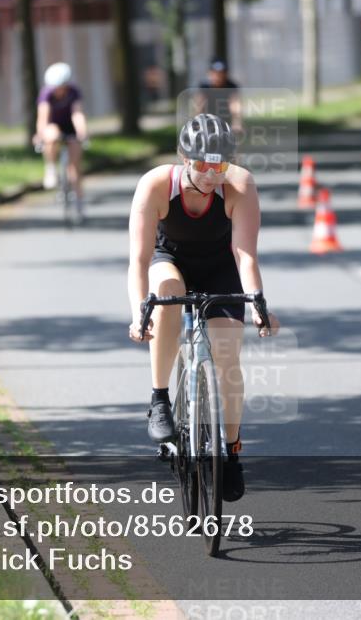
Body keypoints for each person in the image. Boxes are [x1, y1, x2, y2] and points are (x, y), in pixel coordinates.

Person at [127, 113, 279, 502]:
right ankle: (159, 398)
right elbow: (138, 261)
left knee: (227, 356)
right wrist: (138, 313)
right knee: (166, 294)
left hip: (221, 267)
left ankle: (231, 449)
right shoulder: (156, 185)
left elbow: (245, 256)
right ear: (184, 159)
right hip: (170, 260)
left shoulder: (240, 185)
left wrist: (258, 303)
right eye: (202, 165)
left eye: (220, 166)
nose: (212, 175)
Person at [33, 62, 89, 216]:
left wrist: (82, 132)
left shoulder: (73, 92)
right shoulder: (46, 93)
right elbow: (43, 117)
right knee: (52, 135)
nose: (58, 90)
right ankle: (51, 168)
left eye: (61, 87)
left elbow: (77, 113)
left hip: (70, 126)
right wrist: (40, 134)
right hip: (53, 125)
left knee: (75, 167)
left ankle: (79, 200)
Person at [192, 59, 243, 135]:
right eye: (215, 73)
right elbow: (199, 106)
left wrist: (237, 123)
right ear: (210, 73)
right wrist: (197, 122)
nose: (218, 76)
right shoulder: (204, 86)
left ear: (225, 74)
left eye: (221, 73)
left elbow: (235, 105)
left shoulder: (231, 86)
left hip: (225, 121)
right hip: (207, 121)